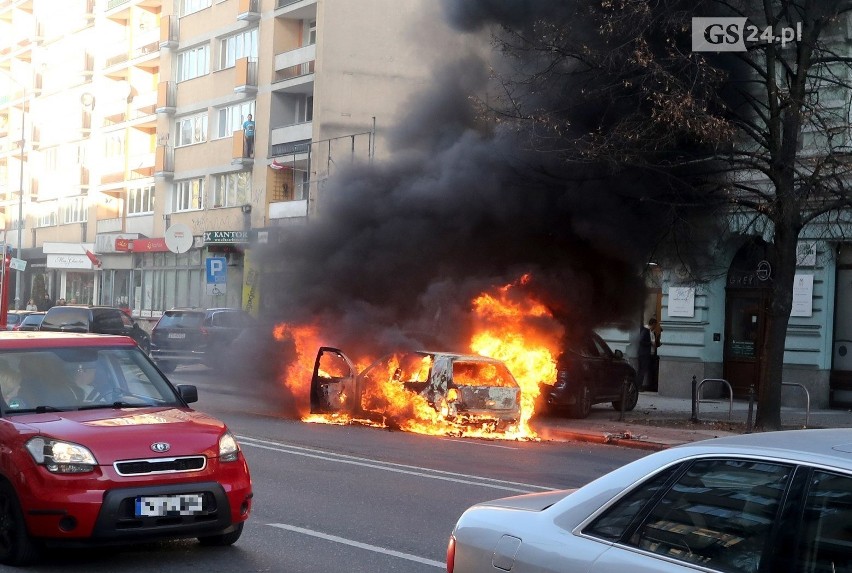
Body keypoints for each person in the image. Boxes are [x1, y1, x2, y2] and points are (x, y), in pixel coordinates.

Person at [636, 317, 658, 391]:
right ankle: (638, 387)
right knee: (642, 370)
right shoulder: (645, 331)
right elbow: (641, 341)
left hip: (648, 354)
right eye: (655, 325)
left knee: (644, 370)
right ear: (652, 324)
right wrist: (650, 343)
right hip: (643, 354)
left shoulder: (651, 332)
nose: (655, 327)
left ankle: (642, 386)